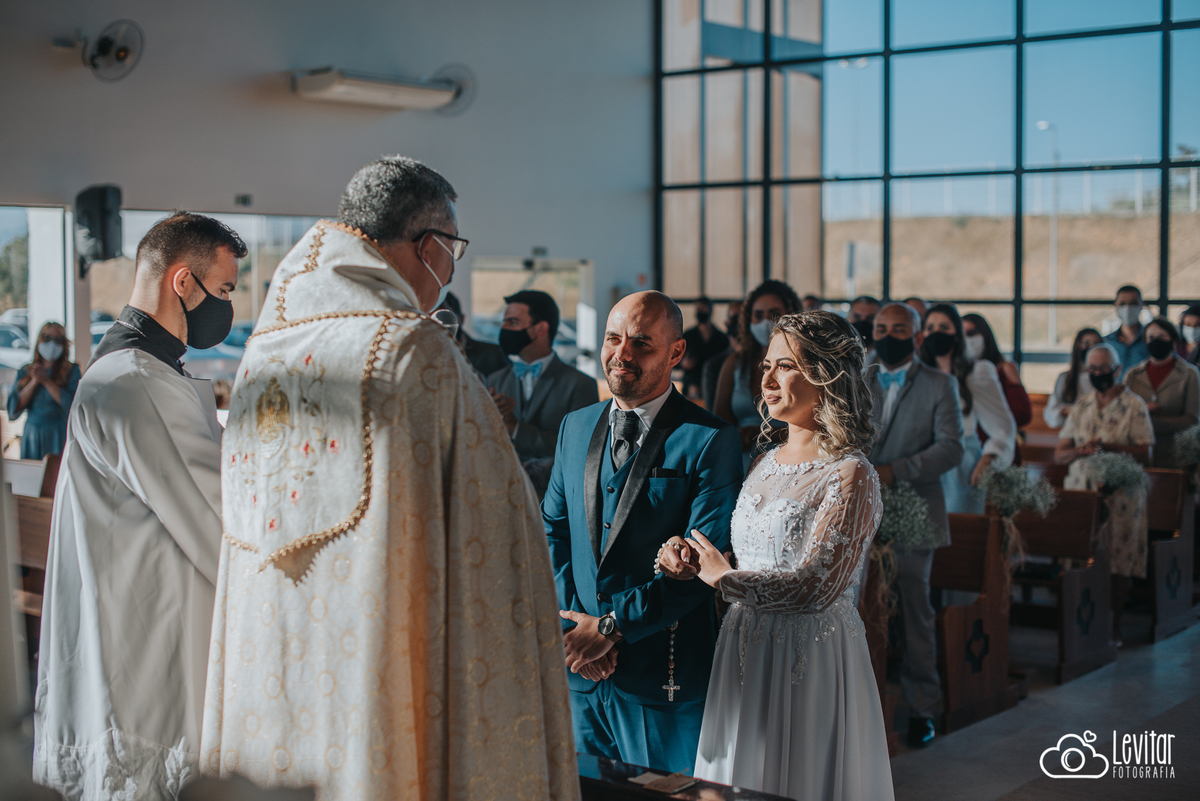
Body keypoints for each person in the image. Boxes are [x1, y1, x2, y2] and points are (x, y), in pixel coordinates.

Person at [201, 157, 578, 801]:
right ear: (431, 246)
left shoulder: (264, 352)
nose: (451, 266)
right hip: (372, 672)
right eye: (452, 250)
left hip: (273, 664)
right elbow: (495, 544)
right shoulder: (416, 352)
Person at [34, 212, 245, 798]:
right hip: (150, 647)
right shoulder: (137, 382)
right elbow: (221, 522)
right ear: (184, 282)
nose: (226, 306)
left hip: (141, 618)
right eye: (223, 290)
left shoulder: (136, 370)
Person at [660, 311, 894, 801]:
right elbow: (750, 554)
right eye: (766, 365)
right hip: (745, 642)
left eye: (784, 366)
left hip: (807, 650)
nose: (766, 379)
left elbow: (815, 587)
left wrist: (723, 580)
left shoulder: (852, 473)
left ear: (826, 373)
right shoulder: (765, 460)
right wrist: (689, 556)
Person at [542, 291, 742, 774]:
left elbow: (702, 565)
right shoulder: (575, 425)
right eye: (613, 338)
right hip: (580, 676)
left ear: (676, 352)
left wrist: (610, 630)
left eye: (641, 343)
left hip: (663, 675)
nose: (622, 354)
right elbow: (551, 529)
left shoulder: (710, 439)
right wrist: (577, 631)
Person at [868, 302, 964, 748]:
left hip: (915, 509)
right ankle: (864, 703)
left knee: (914, 610)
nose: (889, 336)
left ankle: (921, 706)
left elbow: (951, 449)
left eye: (899, 329)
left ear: (917, 336)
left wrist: (896, 470)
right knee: (858, 605)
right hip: (861, 511)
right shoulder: (857, 379)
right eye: (881, 329)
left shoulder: (940, 384)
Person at [1054, 343, 1153, 643]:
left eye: (1104, 368)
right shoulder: (1082, 405)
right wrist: (1077, 451)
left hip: (1121, 496)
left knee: (1116, 560)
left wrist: (1108, 447)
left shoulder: (1135, 405)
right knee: (1077, 556)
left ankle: (1113, 623)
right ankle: (1079, 620)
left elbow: (1146, 453)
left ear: (1118, 369)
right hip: (1081, 493)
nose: (1098, 374)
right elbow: (1059, 454)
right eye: (1092, 369)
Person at [920, 304, 1017, 515]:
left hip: (961, 462)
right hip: (923, 462)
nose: (936, 332)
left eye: (944, 327)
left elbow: (1003, 425)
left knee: (960, 533)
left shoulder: (977, 371)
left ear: (957, 334)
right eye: (930, 327)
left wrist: (989, 459)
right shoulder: (918, 372)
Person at [487, 289, 598, 462]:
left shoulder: (580, 385)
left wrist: (515, 428)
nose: (504, 329)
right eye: (504, 322)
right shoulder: (495, 381)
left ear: (540, 329)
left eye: (513, 322)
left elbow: (580, 448)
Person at [714, 280, 803, 468]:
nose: (766, 322)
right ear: (748, 320)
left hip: (793, 464)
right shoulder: (735, 364)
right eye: (758, 315)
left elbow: (821, 425)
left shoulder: (806, 364)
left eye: (775, 314)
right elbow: (719, 423)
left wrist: (764, 433)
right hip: (742, 465)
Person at [1122, 317, 1200, 469]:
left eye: (1161, 337)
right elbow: (1123, 411)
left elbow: (1192, 420)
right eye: (1151, 338)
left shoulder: (1190, 374)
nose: (1156, 341)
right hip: (1139, 457)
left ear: (1174, 341)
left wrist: (1148, 422)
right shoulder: (1133, 375)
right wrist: (1142, 409)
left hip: (1177, 455)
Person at [6, 322, 80, 460]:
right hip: (32, 435)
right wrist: (34, 381)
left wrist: (46, 381)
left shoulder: (72, 371)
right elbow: (13, 410)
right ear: (39, 340)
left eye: (57, 340)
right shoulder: (26, 371)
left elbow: (72, 406)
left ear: (64, 345)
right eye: (46, 338)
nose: (51, 344)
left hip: (58, 435)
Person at [962, 312, 1032, 433]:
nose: (967, 340)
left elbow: (1022, 414)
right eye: (962, 336)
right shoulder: (957, 372)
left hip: (999, 441)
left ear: (985, 335)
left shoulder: (1004, 368)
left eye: (972, 334)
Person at [439, 290, 508, 377]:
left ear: (462, 319)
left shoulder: (493, 354)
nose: (438, 326)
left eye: (446, 320)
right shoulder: (422, 354)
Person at [1044, 328, 1102, 428]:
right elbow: (1051, 411)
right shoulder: (1065, 378)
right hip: (1073, 429)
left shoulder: (1105, 378)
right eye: (1086, 343)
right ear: (1078, 346)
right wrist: (1067, 411)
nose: (1091, 348)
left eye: (1096, 344)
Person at [679, 296, 729, 399]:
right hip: (691, 387)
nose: (700, 311)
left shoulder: (721, 338)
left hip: (715, 387)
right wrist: (683, 364)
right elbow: (674, 359)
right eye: (697, 308)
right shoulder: (688, 336)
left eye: (703, 308)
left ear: (710, 310)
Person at [700, 300, 742, 409]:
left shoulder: (762, 361)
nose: (741, 323)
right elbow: (713, 412)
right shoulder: (715, 366)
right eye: (736, 318)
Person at [1103, 285, 1149, 369]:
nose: (1127, 308)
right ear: (1115, 305)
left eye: (1133, 303)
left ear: (1142, 305)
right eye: (1122, 304)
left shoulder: (1151, 340)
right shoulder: (1106, 343)